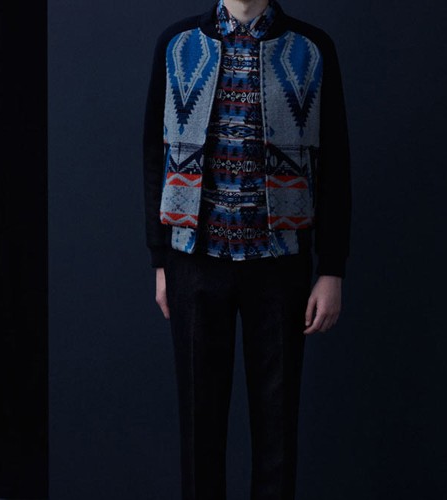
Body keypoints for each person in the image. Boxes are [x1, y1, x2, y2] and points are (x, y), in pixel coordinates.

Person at [142, 0, 351, 498]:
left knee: (277, 429)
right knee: (200, 428)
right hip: (194, 261)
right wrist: (159, 259)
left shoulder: (312, 48)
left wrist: (332, 267)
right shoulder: (176, 45)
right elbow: (153, 153)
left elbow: (336, 160)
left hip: (280, 264)